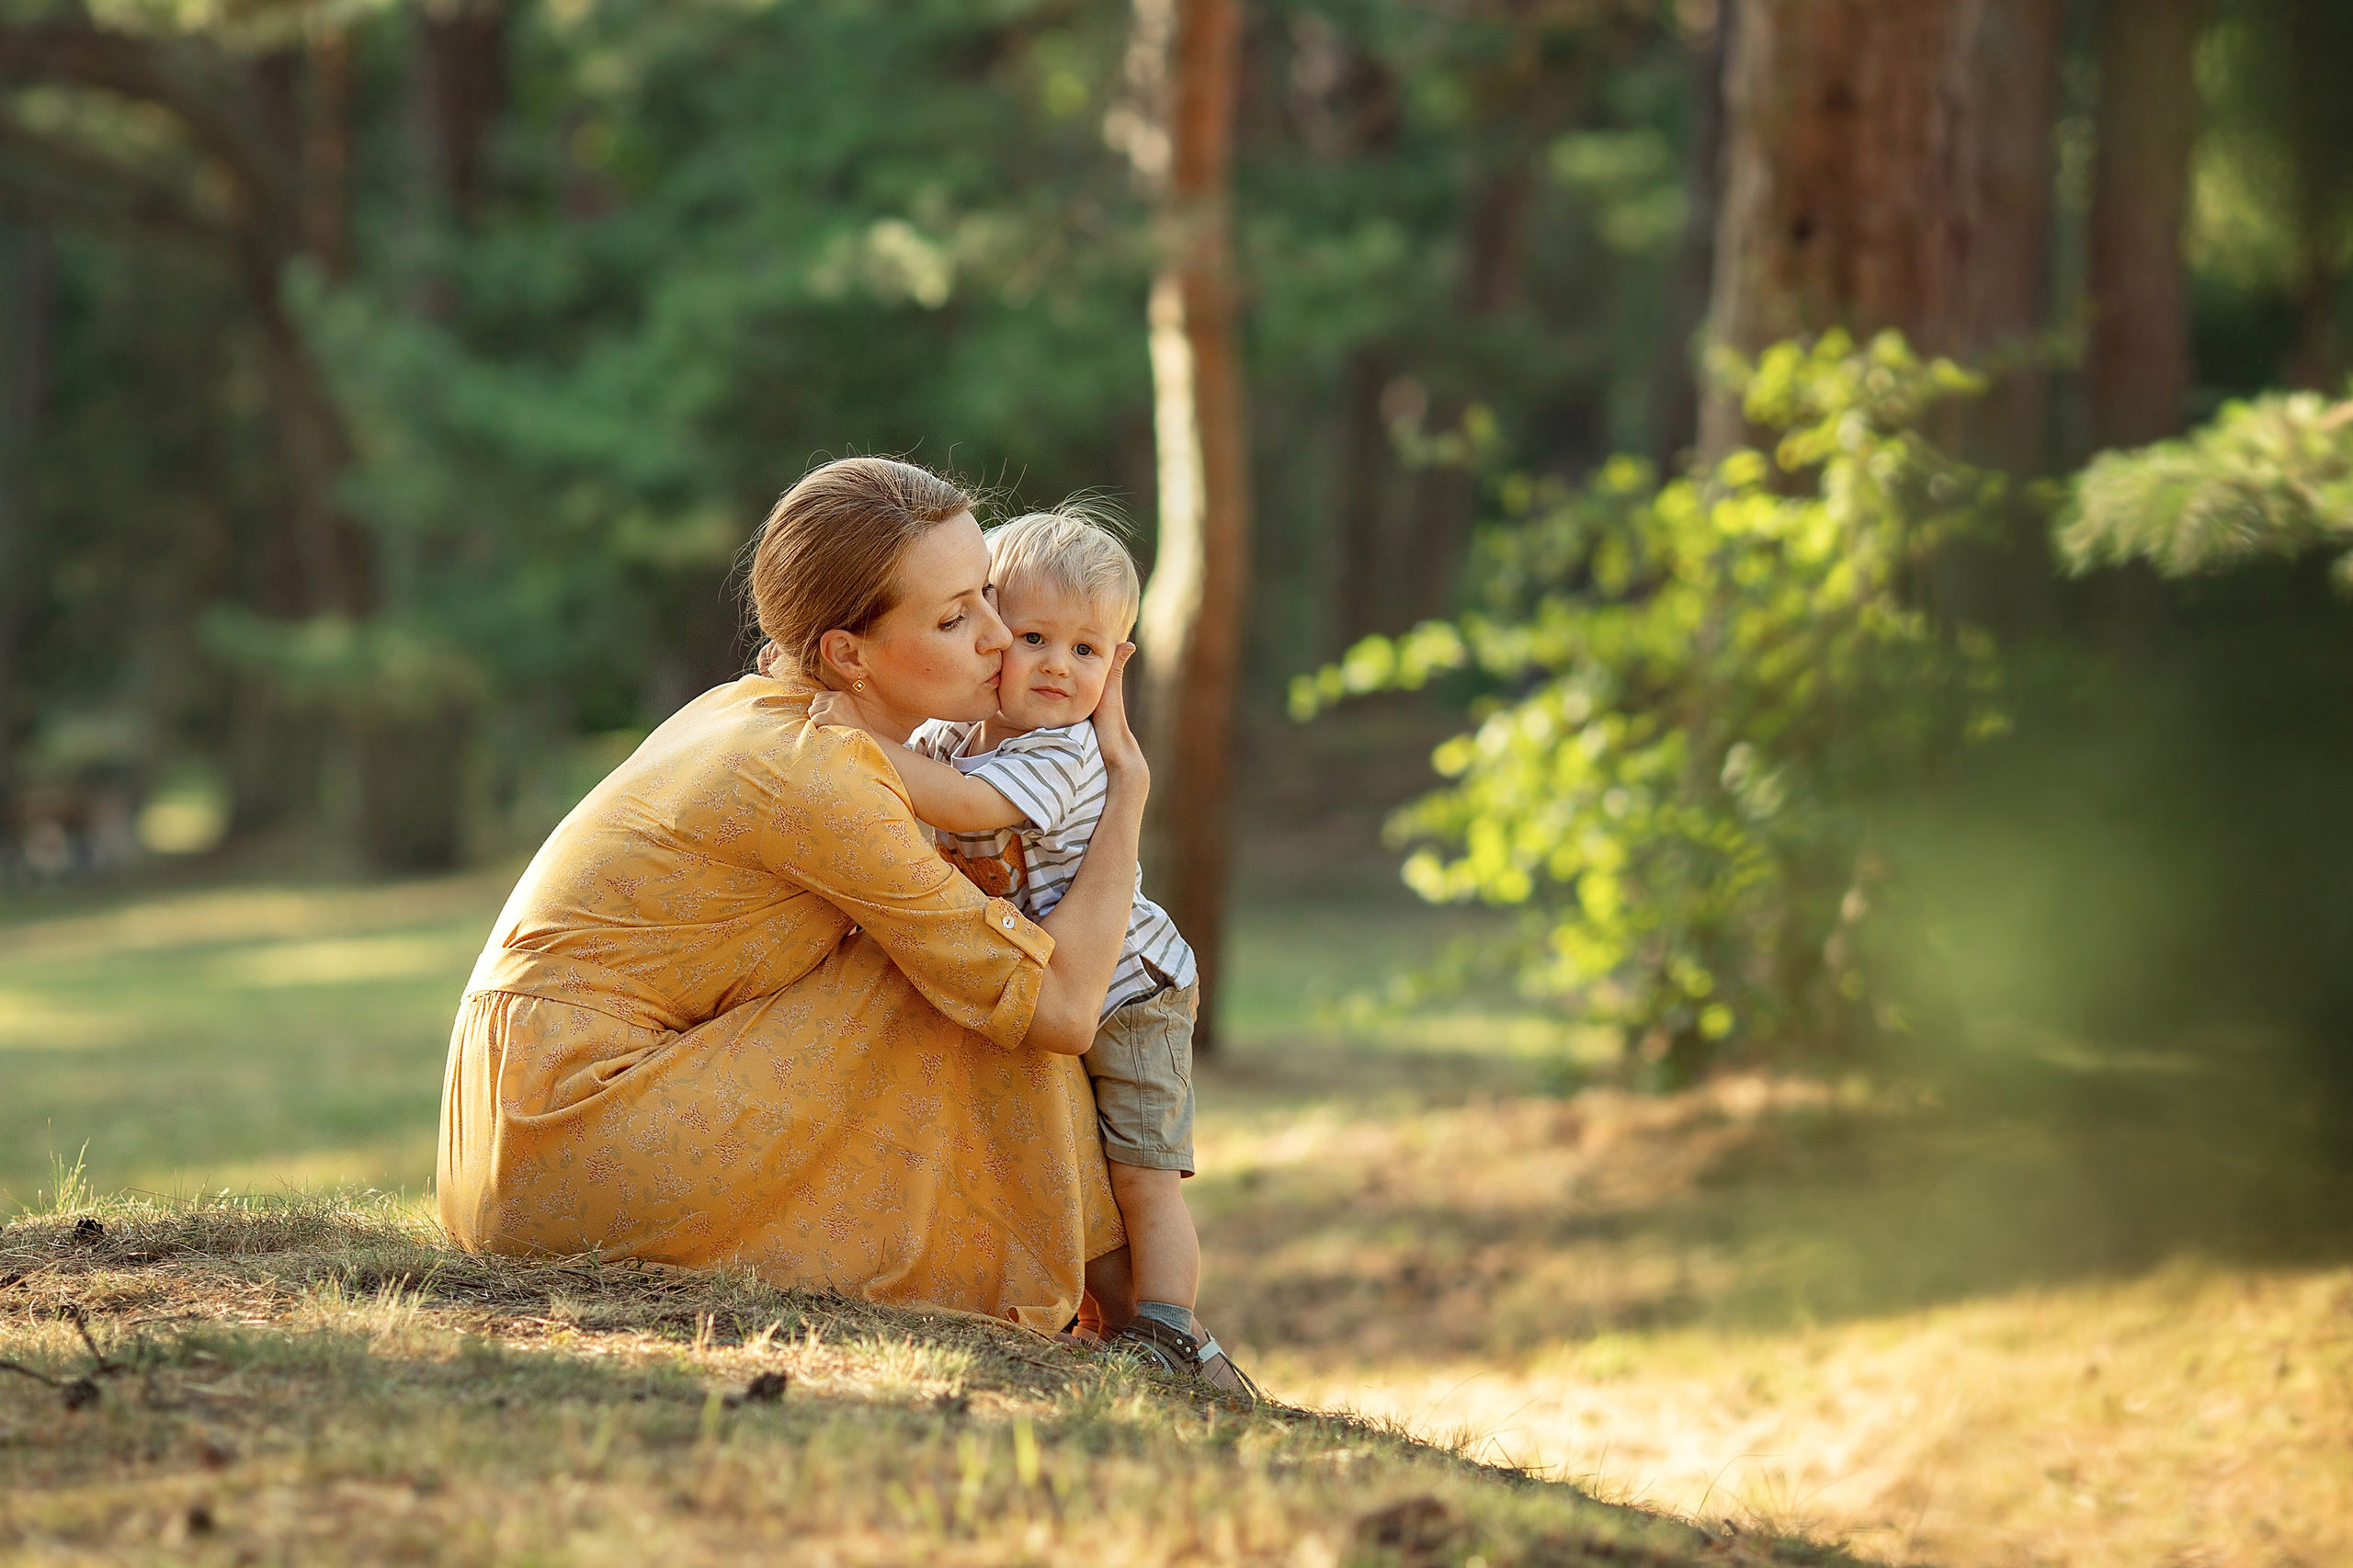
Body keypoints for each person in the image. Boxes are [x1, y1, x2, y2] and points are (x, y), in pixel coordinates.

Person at [437, 457, 1145, 1331]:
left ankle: (1122, 1305)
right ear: (848, 654)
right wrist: (1127, 789)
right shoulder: (820, 776)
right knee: (992, 980)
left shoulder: (744, 706)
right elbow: (1064, 1008)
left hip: (508, 1133)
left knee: (975, 959)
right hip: (570, 1135)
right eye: (957, 617)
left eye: (989, 596)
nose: (1001, 638)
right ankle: (1136, 1313)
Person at [808, 508, 1254, 1396]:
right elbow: (920, 787)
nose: (1057, 665)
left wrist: (854, 742)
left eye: (1087, 650)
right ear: (989, 635)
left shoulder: (1064, 751)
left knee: (1144, 1175)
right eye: (1034, 637)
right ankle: (1101, 1310)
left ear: (1117, 666)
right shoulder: (950, 737)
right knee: (1073, 1151)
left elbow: (967, 809)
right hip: (1058, 980)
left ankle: (1172, 1328)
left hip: (1134, 992)